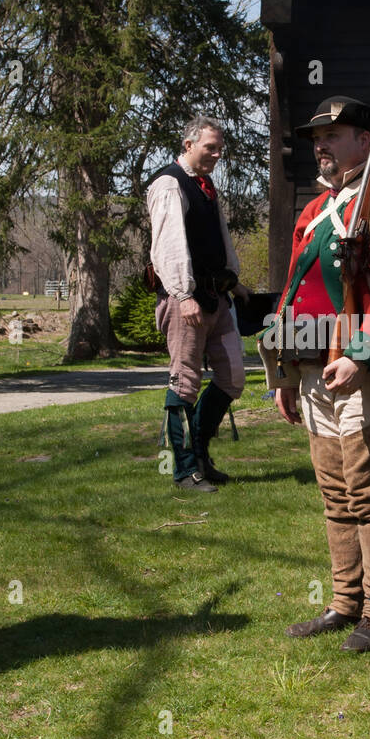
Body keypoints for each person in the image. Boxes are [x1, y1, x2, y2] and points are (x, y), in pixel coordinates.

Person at [271, 95, 370, 652]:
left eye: (334, 135)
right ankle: (345, 601)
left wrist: (361, 354)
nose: (321, 145)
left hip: (364, 369)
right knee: (335, 493)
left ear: (368, 140)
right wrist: (286, 371)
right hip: (315, 368)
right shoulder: (316, 212)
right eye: (317, 137)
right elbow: (295, 291)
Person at [147, 115, 247, 493]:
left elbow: (218, 239)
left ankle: (201, 453)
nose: (217, 154)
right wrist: (182, 294)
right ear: (188, 145)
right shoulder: (170, 184)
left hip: (216, 297)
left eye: (220, 148)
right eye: (210, 147)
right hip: (185, 299)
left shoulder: (204, 186)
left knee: (233, 376)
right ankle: (184, 470)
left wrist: (235, 282)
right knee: (185, 383)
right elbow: (168, 246)